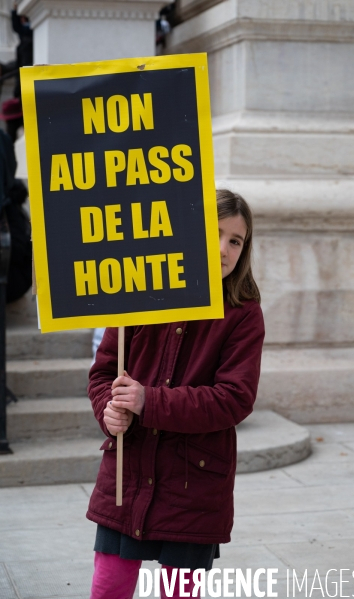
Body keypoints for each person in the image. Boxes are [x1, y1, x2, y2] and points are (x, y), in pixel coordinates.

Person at [87, 188, 265, 599]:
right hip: (127, 476)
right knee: (109, 585)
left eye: (235, 240)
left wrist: (150, 401)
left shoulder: (243, 311)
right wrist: (107, 411)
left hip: (194, 484)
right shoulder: (137, 291)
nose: (223, 248)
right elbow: (102, 376)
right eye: (213, 232)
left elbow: (235, 398)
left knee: (180, 592)